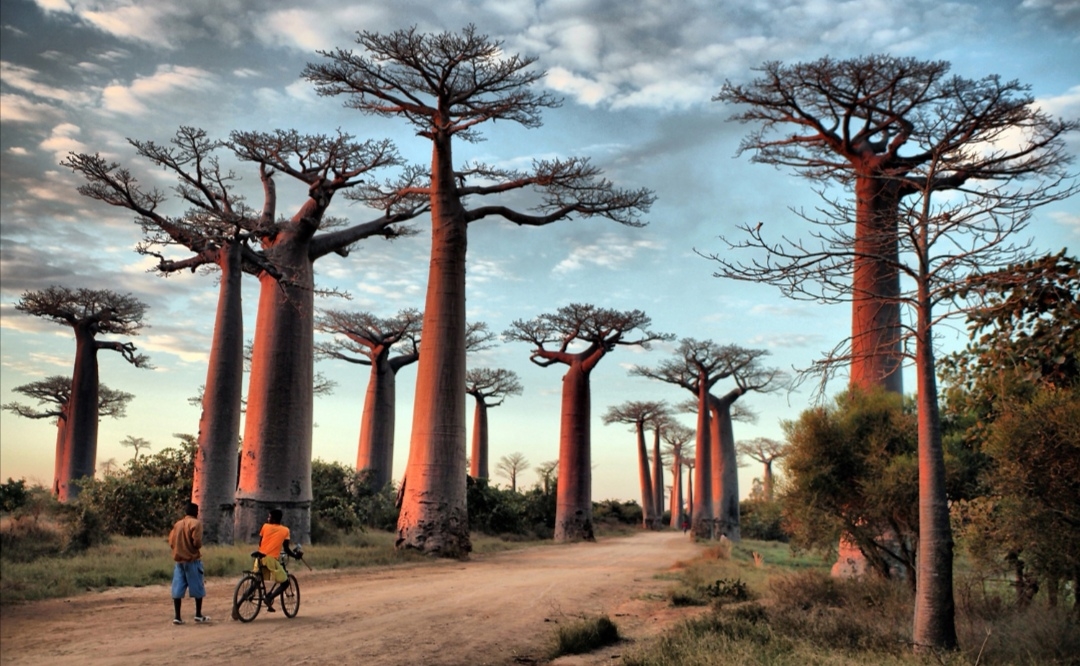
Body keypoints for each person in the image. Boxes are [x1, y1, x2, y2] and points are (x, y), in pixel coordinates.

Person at [168, 502, 210, 625]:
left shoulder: (178, 524)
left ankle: (177, 617)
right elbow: (197, 542)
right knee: (197, 587)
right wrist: (196, 547)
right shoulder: (196, 524)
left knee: (177, 589)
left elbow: (171, 541)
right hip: (192, 560)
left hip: (179, 561)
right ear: (196, 512)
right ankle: (198, 614)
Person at [255, 508, 302, 612]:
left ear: (274, 519)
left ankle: (238, 605)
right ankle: (269, 598)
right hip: (271, 560)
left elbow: (260, 543)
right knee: (285, 583)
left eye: (269, 517)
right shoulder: (285, 530)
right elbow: (286, 549)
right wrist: (295, 556)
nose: (268, 519)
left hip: (259, 557)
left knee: (256, 582)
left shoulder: (265, 526)